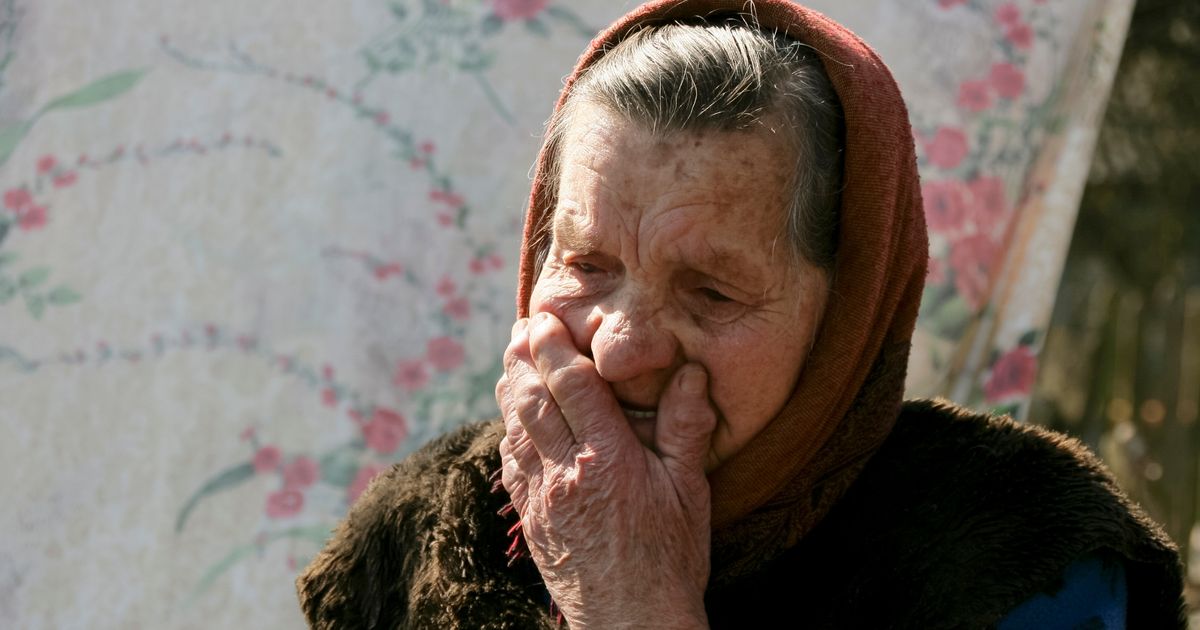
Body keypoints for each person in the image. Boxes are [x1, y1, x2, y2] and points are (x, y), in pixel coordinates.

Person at [295, 1, 1187, 627]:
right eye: (587, 266)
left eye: (712, 293)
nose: (620, 350)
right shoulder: (426, 532)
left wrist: (633, 604)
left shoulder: (1013, 557)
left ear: (846, 316)